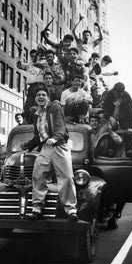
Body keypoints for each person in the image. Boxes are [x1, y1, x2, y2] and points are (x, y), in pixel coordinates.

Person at [20, 86, 78, 221]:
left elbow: (60, 127)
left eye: (43, 95)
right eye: (38, 95)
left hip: (59, 146)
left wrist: (55, 138)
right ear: (35, 99)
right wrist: (28, 145)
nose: (41, 97)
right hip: (46, 147)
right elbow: (38, 135)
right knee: (38, 174)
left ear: (48, 97)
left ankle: (71, 210)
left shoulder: (55, 108)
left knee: (66, 177)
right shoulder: (36, 113)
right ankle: (37, 208)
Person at [103, 82, 132, 157]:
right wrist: (109, 116)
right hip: (113, 114)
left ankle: (130, 150)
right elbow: (105, 107)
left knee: (127, 128)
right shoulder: (110, 94)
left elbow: (131, 111)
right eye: (117, 93)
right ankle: (110, 149)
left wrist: (131, 126)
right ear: (114, 91)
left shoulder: (126, 96)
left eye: (121, 93)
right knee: (112, 127)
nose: (119, 94)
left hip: (124, 116)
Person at [17, 49, 45, 123]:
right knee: (27, 106)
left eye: (35, 55)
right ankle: (27, 121)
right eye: (32, 56)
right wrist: (20, 55)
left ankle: (39, 121)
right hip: (31, 87)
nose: (34, 57)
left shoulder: (42, 64)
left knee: (38, 104)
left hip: (39, 87)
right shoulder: (28, 65)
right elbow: (19, 65)